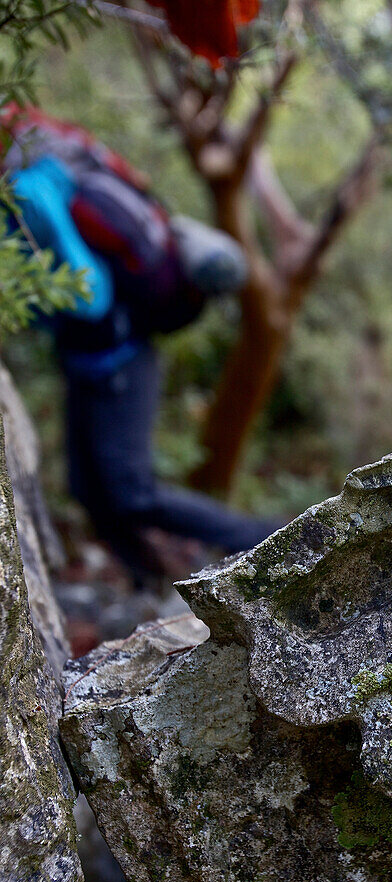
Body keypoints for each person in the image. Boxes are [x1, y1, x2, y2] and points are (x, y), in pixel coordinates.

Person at [2, 105, 279, 581]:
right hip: (90, 359)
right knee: (87, 489)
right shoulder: (47, 179)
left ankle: (266, 538)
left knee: (133, 493)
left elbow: (88, 295)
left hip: (122, 364)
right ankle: (149, 581)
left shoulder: (35, 189)